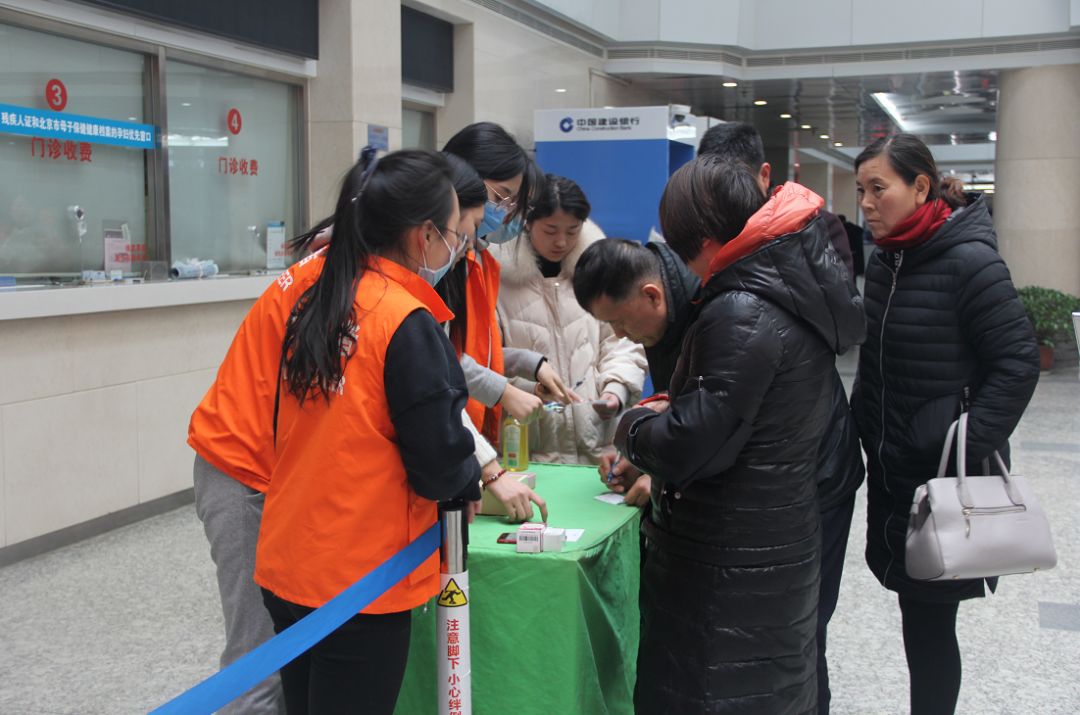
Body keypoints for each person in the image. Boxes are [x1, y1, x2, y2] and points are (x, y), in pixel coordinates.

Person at [613, 156, 864, 714]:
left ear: (703, 240)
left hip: (728, 567)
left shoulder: (741, 307)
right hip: (780, 541)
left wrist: (631, 425)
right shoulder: (793, 286)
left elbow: (690, 445)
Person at [852, 133, 1039, 715]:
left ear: (921, 187)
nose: (865, 202)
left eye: (878, 188)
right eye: (860, 190)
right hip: (892, 472)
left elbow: (1018, 361)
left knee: (931, 626)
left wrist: (961, 441)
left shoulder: (970, 261)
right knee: (917, 616)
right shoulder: (887, 260)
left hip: (941, 481)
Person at [695, 120, 867, 714]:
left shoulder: (804, 240)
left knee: (801, 623)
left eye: (733, 190)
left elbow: (833, 334)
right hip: (788, 460)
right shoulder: (745, 256)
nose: (724, 210)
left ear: (762, 177)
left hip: (811, 461)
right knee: (779, 629)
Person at [492, 174, 646, 464]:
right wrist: (532, 390)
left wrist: (616, 390)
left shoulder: (599, 271)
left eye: (573, 230)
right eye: (550, 230)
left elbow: (622, 342)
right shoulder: (499, 280)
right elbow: (487, 360)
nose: (561, 241)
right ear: (527, 222)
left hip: (598, 449)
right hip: (528, 451)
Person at [441, 123, 579, 441]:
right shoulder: (432, 266)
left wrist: (526, 363)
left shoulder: (477, 262)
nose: (506, 214)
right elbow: (430, 356)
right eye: (502, 196)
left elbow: (471, 349)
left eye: (519, 206)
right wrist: (502, 391)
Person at [570, 237, 698, 505]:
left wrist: (663, 478)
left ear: (652, 295)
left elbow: (727, 427)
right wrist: (643, 463)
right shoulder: (665, 315)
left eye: (620, 321)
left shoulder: (714, 314)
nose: (620, 334)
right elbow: (684, 407)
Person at [698, 121, 856, 286]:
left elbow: (841, 300)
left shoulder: (817, 226)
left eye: (737, 180)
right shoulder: (703, 229)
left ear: (764, 175)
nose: (727, 195)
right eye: (714, 185)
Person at [837, 214, 865, 278]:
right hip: (855, 256)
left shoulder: (840, 231)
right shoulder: (855, 228)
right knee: (853, 276)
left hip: (844, 256)